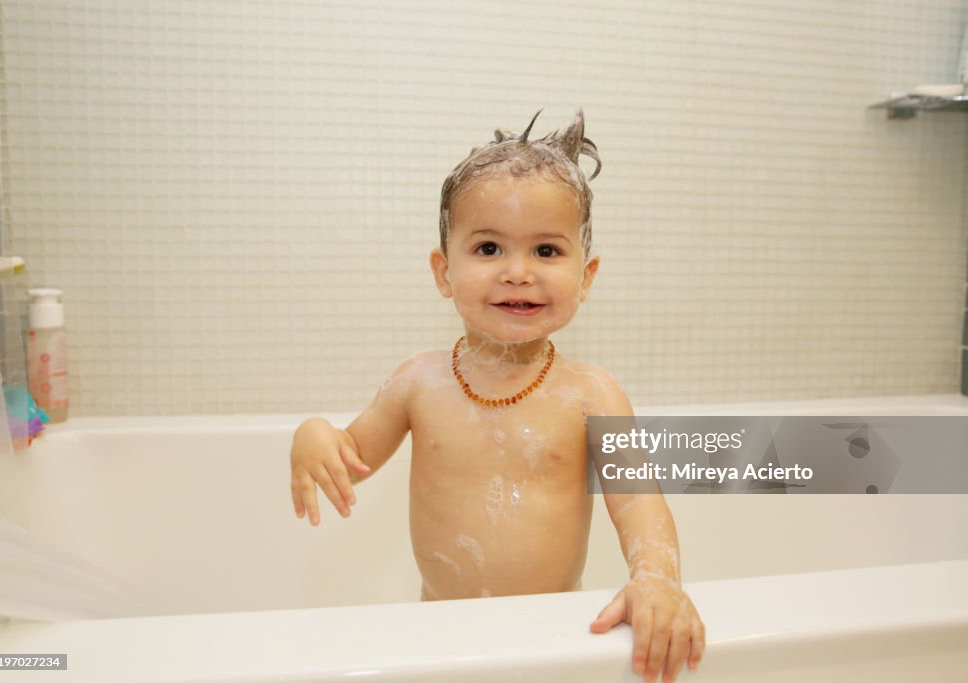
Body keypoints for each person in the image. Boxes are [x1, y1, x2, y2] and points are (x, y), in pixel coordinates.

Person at [289, 109, 705, 682]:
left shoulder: (592, 394)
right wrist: (316, 435)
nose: (517, 272)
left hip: (553, 639)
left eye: (546, 251)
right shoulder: (418, 383)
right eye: (488, 249)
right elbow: (350, 457)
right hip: (438, 641)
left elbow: (639, 504)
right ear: (443, 272)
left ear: (586, 277)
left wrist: (656, 578)